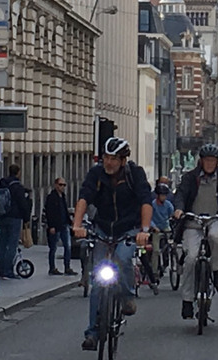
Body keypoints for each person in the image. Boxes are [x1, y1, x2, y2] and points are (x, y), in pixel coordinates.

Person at [72, 137, 152, 352]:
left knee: (124, 259)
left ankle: (127, 296)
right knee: (98, 281)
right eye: (106, 157)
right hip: (102, 229)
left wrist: (144, 231)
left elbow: (145, 201)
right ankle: (92, 333)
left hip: (128, 229)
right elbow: (84, 197)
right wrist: (77, 225)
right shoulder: (96, 174)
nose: (109, 163)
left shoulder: (135, 174)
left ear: (123, 160)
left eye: (114, 159)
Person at [174, 144, 218, 318]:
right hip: (193, 222)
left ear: (217, 162)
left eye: (213, 160)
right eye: (207, 160)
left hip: (215, 220)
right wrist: (179, 209)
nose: (209, 164)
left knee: (216, 237)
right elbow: (180, 194)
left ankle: (216, 269)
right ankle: (187, 300)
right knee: (191, 259)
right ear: (201, 161)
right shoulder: (190, 178)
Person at [0, 165, 32, 279]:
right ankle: (8, 271)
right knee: (12, 245)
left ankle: (1, 269)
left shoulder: (2, 184)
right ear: (18, 173)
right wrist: (26, 218)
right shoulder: (17, 186)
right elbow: (22, 204)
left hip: (2, 216)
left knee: (2, 244)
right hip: (15, 217)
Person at [45, 177, 77, 276]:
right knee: (53, 247)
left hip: (64, 225)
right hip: (56, 226)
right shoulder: (51, 197)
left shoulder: (63, 196)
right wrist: (51, 226)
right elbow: (49, 213)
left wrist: (70, 221)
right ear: (56, 185)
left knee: (68, 247)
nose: (62, 187)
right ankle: (52, 268)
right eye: (60, 185)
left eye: (64, 185)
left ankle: (67, 267)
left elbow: (65, 210)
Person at [150, 183, 174, 276]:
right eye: (162, 195)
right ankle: (154, 271)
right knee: (156, 250)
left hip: (165, 226)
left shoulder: (168, 205)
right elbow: (150, 218)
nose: (163, 197)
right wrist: (154, 227)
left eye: (165, 195)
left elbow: (171, 215)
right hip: (156, 228)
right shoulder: (153, 205)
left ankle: (169, 258)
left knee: (171, 243)